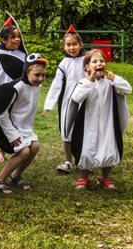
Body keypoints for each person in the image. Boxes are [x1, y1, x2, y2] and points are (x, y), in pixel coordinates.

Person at [0, 53, 48, 194]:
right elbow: (2, 113)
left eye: (43, 75)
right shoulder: (15, 88)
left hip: (20, 127)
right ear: (27, 71)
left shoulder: (36, 86)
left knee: (35, 146)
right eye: (37, 75)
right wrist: (13, 135)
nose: (41, 79)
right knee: (24, 151)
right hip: (2, 126)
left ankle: (15, 176)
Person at [66, 49, 132, 190]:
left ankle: (104, 177)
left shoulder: (110, 83)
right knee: (86, 150)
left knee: (109, 148)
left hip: (107, 123)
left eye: (101, 61)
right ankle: (84, 177)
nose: (99, 63)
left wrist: (114, 78)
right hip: (88, 124)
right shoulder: (83, 82)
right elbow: (77, 97)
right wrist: (90, 81)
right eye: (94, 61)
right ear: (87, 67)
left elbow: (128, 89)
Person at [0, 13, 27, 162]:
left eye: (18, 37)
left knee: (14, 122)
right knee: (0, 123)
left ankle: (17, 149)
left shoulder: (23, 55)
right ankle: (1, 150)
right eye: (13, 37)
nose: (17, 40)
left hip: (17, 95)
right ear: (3, 40)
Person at [42, 25, 85, 174]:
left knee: (85, 131)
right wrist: (49, 105)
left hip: (85, 102)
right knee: (66, 132)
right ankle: (68, 161)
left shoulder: (87, 61)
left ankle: (85, 161)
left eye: (74, 44)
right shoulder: (63, 64)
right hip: (67, 102)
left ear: (80, 45)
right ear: (64, 47)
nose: (72, 47)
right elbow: (56, 85)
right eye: (68, 45)